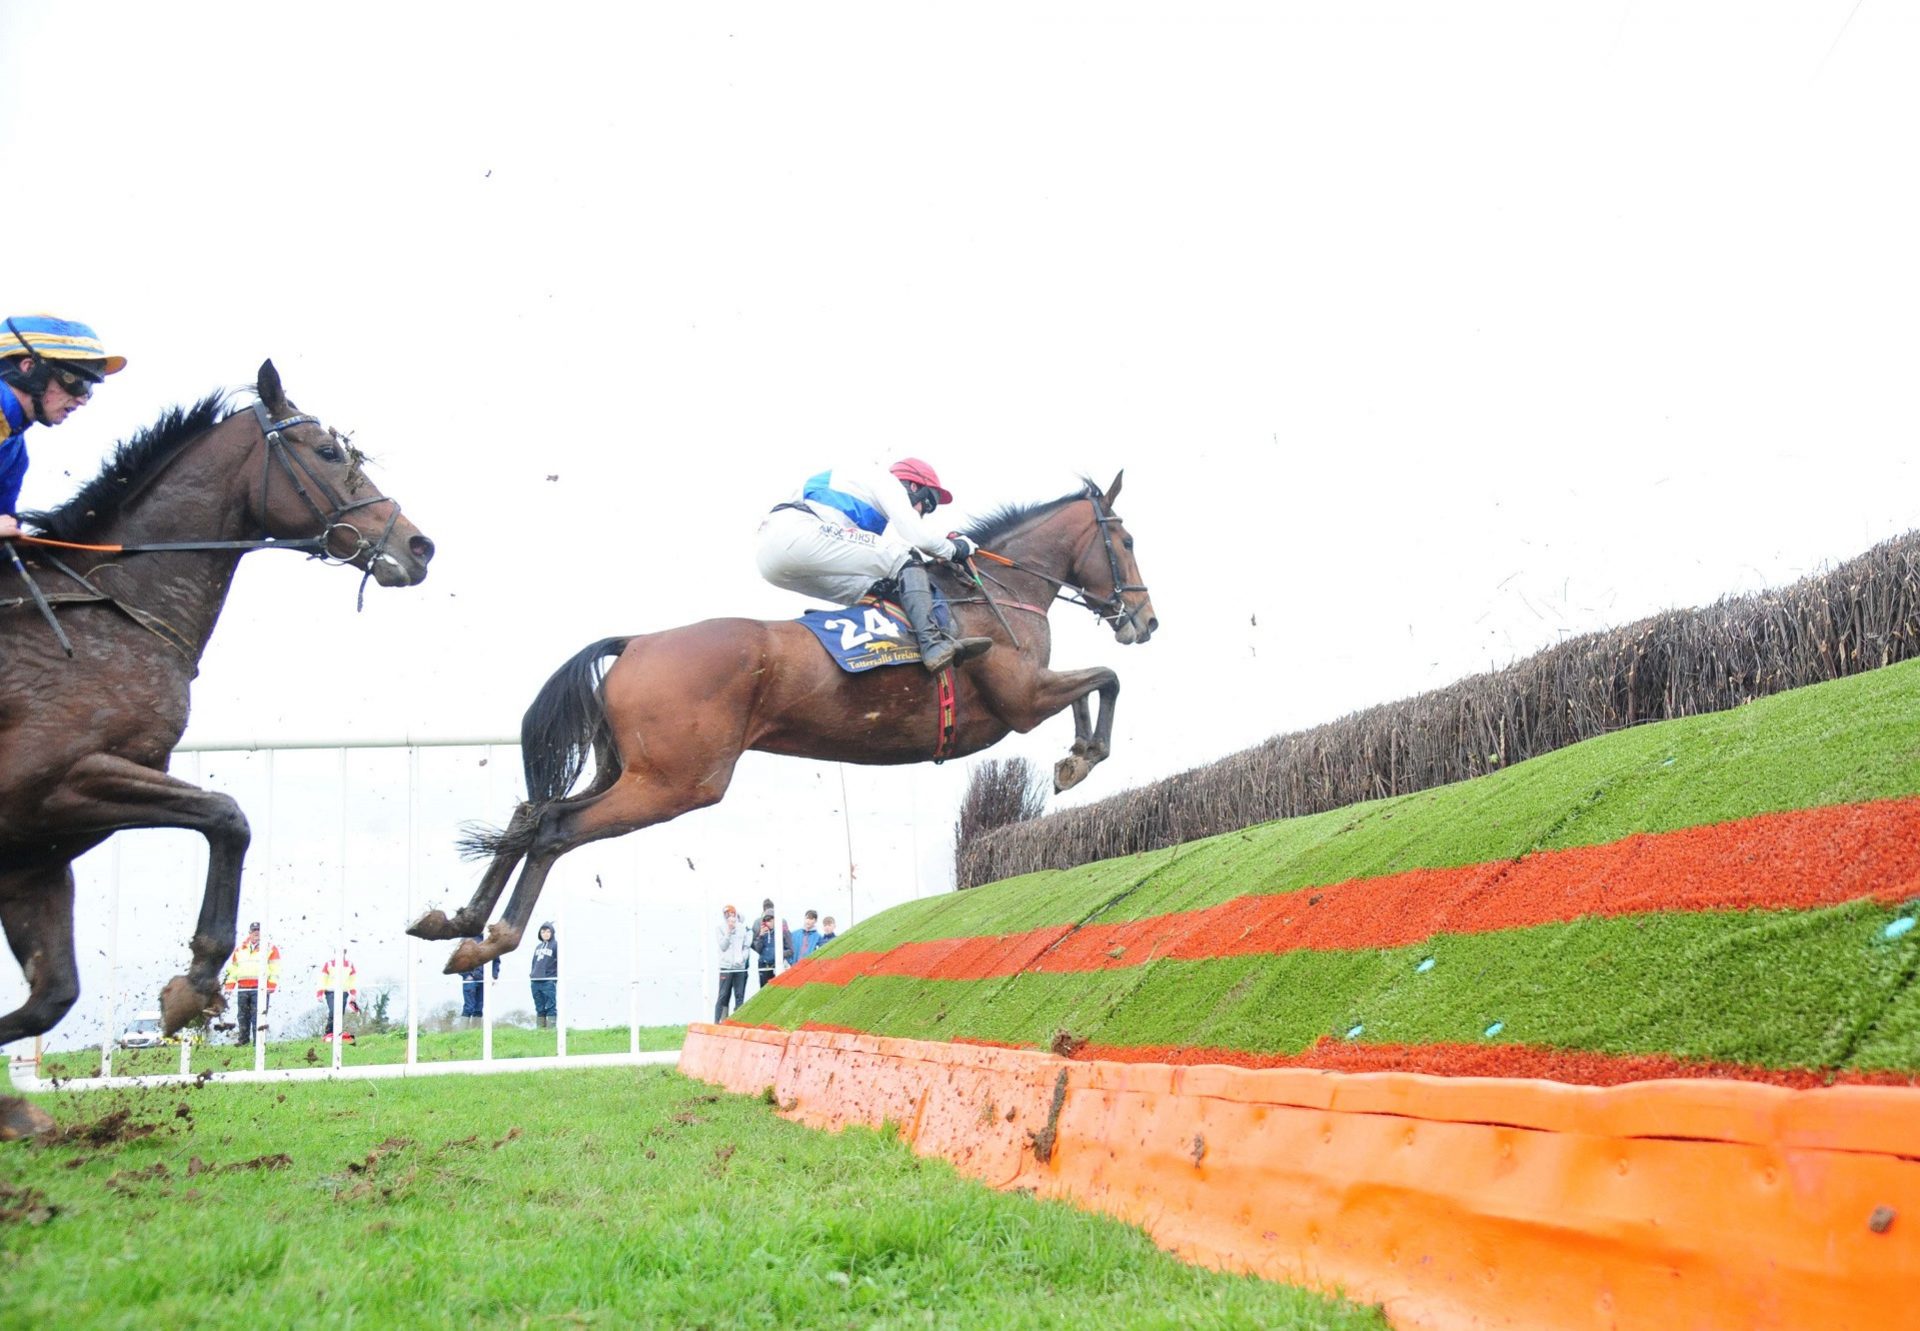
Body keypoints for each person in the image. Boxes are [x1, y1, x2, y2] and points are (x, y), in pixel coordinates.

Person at [755, 458, 993, 672]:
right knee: (906, 556)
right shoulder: (886, 480)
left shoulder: (862, 488)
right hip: (799, 533)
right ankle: (932, 644)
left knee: (877, 586)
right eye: (928, 503)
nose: (923, 512)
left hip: (773, 560)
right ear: (913, 486)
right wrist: (956, 548)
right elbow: (918, 538)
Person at [0, 313, 126, 540]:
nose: (82, 400)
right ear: (29, 368)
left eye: (89, 388)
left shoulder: (16, 452)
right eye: (77, 383)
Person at [219, 922, 282, 1045]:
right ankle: (243, 1041)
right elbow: (233, 969)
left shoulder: (270, 948)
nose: (256, 932)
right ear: (249, 933)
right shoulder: (240, 949)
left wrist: (271, 985)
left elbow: (275, 969)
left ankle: (258, 1043)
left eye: (259, 930)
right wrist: (229, 986)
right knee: (242, 1016)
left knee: (258, 1016)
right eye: (254, 930)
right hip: (242, 988)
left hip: (261, 988)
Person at [714, 905, 753, 1021]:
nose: (729, 915)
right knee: (723, 995)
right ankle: (717, 1022)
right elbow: (723, 946)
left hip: (739, 967)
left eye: (731, 913)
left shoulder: (742, 928)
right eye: (727, 913)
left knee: (739, 995)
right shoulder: (720, 928)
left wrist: (743, 958)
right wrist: (729, 932)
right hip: (726, 967)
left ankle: (737, 1022)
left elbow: (746, 946)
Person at [316, 952, 359, 1042]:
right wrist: (320, 993)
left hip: (343, 992)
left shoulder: (349, 965)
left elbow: (352, 981)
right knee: (334, 1011)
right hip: (331, 992)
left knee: (340, 1013)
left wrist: (353, 993)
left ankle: (337, 1034)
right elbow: (323, 980)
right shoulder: (329, 964)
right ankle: (328, 1034)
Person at [460, 940, 501, 1024]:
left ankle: (476, 1030)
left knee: (479, 1007)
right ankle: (463, 1030)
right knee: (469, 1007)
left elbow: (496, 960)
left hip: (484, 979)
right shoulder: (467, 939)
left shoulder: (491, 940)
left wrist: (494, 975)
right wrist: (466, 975)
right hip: (470, 979)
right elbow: (458, 959)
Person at [529, 922, 559, 1028]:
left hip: (548, 981)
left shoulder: (556, 945)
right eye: (543, 932)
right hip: (535, 981)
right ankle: (540, 1029)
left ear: (552, 932)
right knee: (539, 1007)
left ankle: (551, 1029)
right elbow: (534, 962)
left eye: (548, 931)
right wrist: (532, 975)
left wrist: (554, 978)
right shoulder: (538, 947)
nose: (545, 934)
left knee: (550, 1006)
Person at [752, 905, 778, 990]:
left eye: (770, 920)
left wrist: (778, 956)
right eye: (766, 920)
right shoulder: (762, 931)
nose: (768, 922)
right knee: (764, 989)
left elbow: (788, 949)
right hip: (763, 964)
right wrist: (761, 936)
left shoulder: (780, 932)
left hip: (776, 965)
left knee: (775, 990)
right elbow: (758, 949)